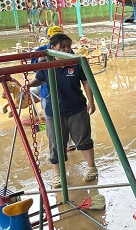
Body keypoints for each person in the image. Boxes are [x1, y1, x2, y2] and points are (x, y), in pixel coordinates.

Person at [22, 33, 98, 188]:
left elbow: (86, 81)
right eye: (63, 47)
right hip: (53, 110)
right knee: (56, 143)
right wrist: (28, 85)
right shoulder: (46, 63)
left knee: (83, 138)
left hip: (77, 107)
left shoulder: (75, 61)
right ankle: (57, 174)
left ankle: (91, 167)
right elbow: (40, 79)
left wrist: (91, 101)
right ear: (53, 48)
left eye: (69, 46)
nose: (67, 49)